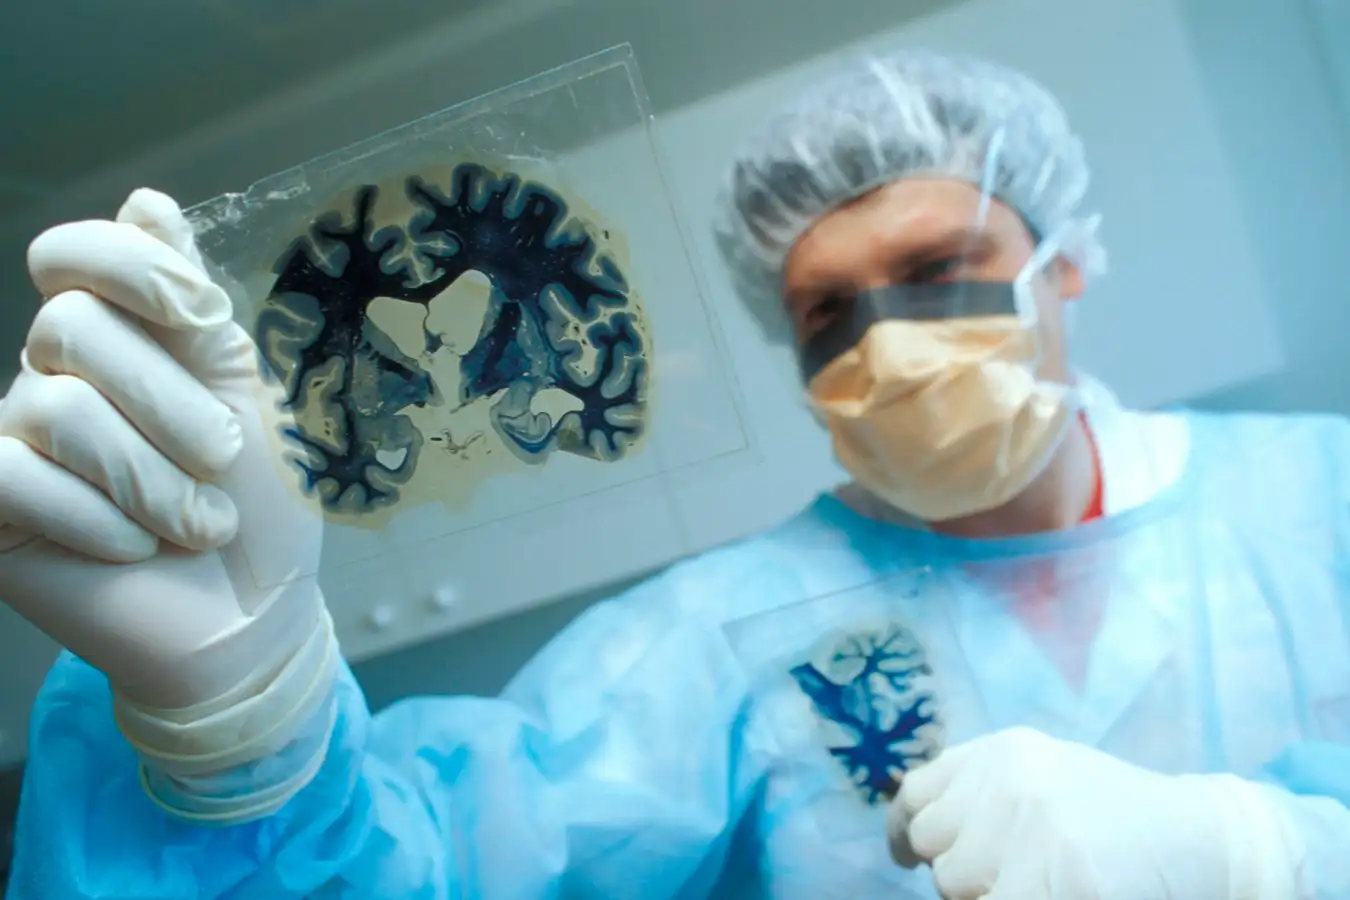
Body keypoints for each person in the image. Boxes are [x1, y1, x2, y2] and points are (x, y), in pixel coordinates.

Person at [2, 46, 1349, 900]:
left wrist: (1268, 857)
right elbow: (422, 869)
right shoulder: (717, 643)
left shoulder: (1319, 501)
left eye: (939, 269)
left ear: (1061, 265)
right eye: (825, 310)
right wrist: (240, 724)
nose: (883, 341)